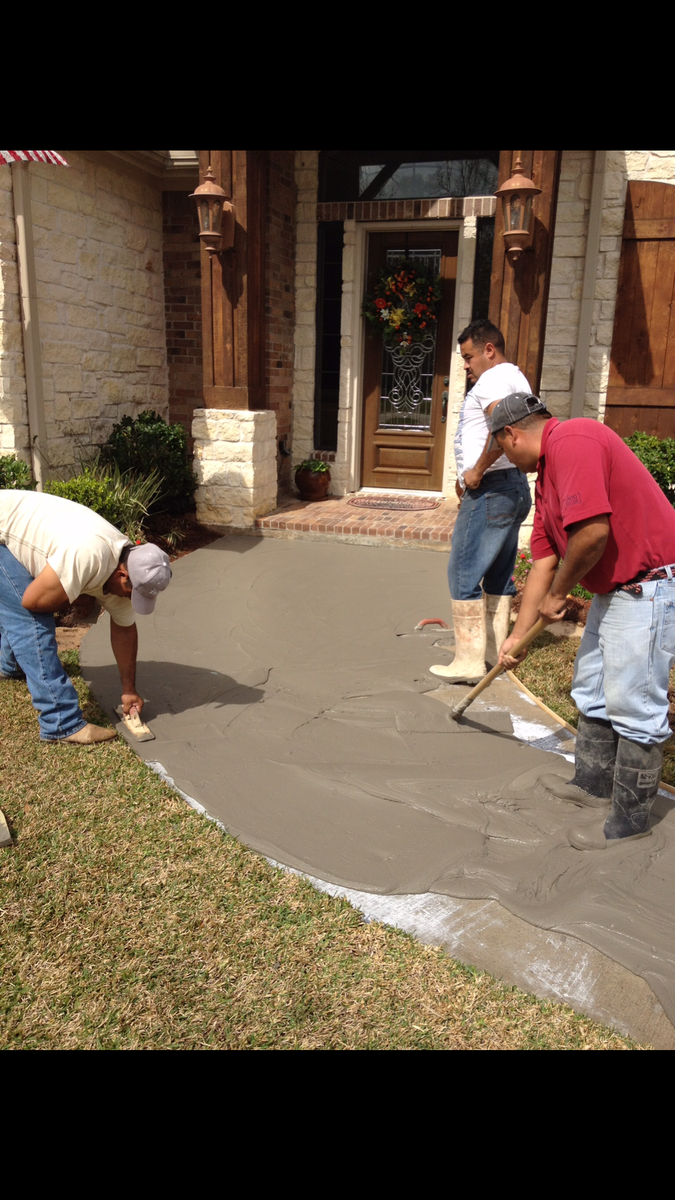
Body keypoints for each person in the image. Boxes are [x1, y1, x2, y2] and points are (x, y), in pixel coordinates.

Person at [491, 393, 675, 850]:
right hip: (614, 589)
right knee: (591, 689)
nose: (506, 459)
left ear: (512, 434)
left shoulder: (575, 439)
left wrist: (558, 597)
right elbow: (544, 560)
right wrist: (518, 637)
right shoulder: (547, 475)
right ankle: (593, 785)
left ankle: (632, 819)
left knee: (633, 703)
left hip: (647, 584)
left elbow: (592, 533)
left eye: (501, 447)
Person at [0, 489, 172, 744]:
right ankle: (61, 723)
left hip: (16, 529)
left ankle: (10, 666)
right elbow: (32, 601)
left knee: (27, 606)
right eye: (132, 593)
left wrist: (129, 691)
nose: (130, 599)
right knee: (32, 620)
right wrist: (78, 594)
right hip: (3, 533)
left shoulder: (126, 571)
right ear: (122, 576)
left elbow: (125, 629)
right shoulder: (89, 553)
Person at [430, 319, 532, 684]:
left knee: (463, 573)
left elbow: (505, 428)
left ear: (489, 349)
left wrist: (475, 470)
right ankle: (492, 655)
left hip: (491, 488)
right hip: (512, 487)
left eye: (469, 356)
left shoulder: (492, 379)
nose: (466, 366)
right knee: (500, 575)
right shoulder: (515, 376)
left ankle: (469, 662)